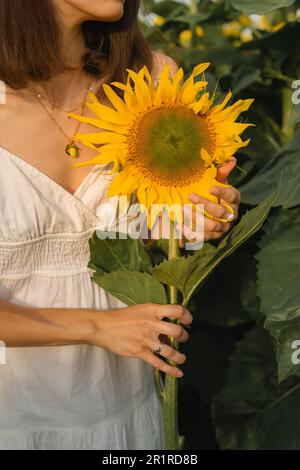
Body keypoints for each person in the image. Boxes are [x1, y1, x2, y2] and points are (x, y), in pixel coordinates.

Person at [0, 0, 240, 450]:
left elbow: (141, 231)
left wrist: (198, 216)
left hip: (123, 408)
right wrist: (96, 326)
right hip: (14, 415)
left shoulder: (149, 79)